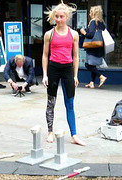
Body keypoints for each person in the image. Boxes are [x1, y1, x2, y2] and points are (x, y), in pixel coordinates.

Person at [42, 0, 85, 146]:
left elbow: (76, 56)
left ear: (66, 17)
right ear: (54, 17)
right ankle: (50, 132)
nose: (59, 19)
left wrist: (75, 75)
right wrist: (45, 75)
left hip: (67, 69)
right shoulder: (49, 34)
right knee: (51, 102)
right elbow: (45, 55)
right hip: (53, 68)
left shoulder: (74, 34)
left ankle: (74, 135)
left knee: (70, 103)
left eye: (61, 16)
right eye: (57, 16)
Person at [80, 6, 107, 89]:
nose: (89, 14)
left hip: (93, 47)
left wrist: (83, 32)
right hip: (99, 47)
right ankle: (92, 82)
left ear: (94, 13)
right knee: (93, 65)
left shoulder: (93, 22)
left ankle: (101, 76)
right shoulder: (102, 23)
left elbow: (90, 35)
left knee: (88, 65)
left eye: (90, 12)